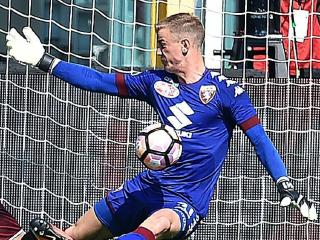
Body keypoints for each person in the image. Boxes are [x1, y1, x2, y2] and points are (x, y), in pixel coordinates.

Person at [5, 13, 317, 240]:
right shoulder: (156, 83)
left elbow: (259, 139)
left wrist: (283, 182)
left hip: (185, 202)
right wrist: (45, 61)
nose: (159, 51)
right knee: (70, 235)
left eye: (163, 44)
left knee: (159, 225)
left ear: (184, 45)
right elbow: (100, 81)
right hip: (147, 187)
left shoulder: (227, 93)